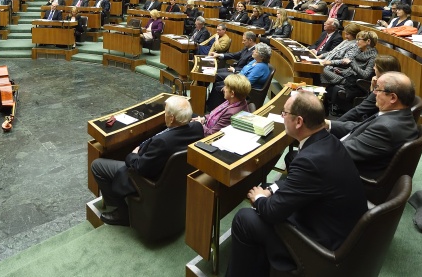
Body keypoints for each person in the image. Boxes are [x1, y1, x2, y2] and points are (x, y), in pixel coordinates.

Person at [225, 90, 366, 277]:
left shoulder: (309, 161)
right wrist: (272, 189)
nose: (282, 117)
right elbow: (299, 184)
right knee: (269, 190)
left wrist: (259, 198)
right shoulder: (328, 141)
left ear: (299, 121)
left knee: (245, 218)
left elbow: (272, 212)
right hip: (339, 228)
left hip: (320, 247)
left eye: (284, 113)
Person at [91, 96, 203, 226]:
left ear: (172, 118)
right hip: (174, 178)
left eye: (166, 113)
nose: (164, 115)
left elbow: (141, 167)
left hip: (148, 179)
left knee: (97, 165)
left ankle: (122, 212)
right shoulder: (197, 128)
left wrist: (132, 155)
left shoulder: (162, 142)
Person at [328, 72, 420, 179]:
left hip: (350, 176)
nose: (374, 92)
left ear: (393, 98)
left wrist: (312, 140)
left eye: (378, 88)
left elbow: (341, 152)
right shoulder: (396, 114)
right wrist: (328, 124)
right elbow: (361, 127)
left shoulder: (386, 128)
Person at [332, 54, 402, 125]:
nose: (373, 68)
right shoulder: (398, 83)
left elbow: (359, 110)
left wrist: (333, 124)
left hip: (372, 123)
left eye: (375, 66)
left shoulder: (383, 90)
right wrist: (372, 87)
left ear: (382, 70)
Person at [321, 30, 378, 115]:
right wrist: (331, 63)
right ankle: (324, 108)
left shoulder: (373, 57)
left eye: (359, 39)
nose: (357, 42)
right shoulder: (358, 50)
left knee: (322, 71)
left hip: (353, 83)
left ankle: (324, 108)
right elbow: (345, 61)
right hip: (346, 75)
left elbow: (365, 75)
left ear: (368, 41)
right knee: (323, 69)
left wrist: (351, 64)